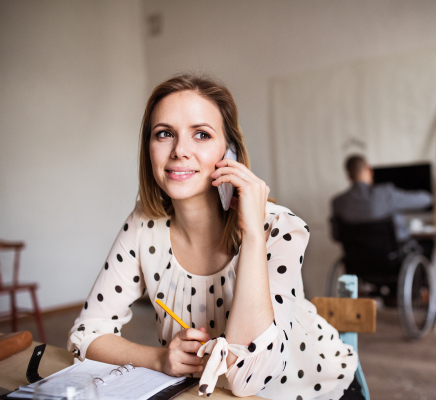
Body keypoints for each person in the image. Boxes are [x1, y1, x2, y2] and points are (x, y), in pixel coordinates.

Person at [68, 74, 361, 400]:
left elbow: (247, 378)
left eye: (202, 135)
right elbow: (85, 334)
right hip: (205, 394)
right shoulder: (143, 225)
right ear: (148, 149)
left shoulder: (279, 228)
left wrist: (252, 234)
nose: (180, 150)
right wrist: (160, 359)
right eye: (164, 134)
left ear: (229, 152)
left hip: (313, 391)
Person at [331, 154, 433, 242]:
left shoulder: (337, 203)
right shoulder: (384, 194)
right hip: (390, 260)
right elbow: (426, 200)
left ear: (348, 176)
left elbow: (336, 236)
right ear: (368, 169)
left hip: (356, 261)